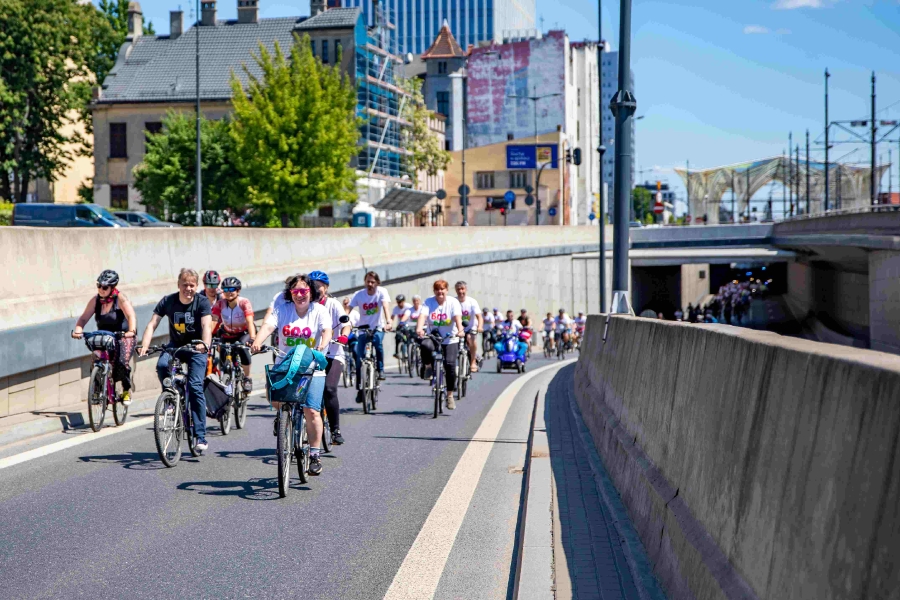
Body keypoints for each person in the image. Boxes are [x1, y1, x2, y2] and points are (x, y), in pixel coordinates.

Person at [252, 274, 332, 475]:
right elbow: (268, 326)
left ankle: (314, 455)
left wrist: (322, 345)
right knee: (274, 398)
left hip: (311, 367)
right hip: (286, 366)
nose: (300, 295)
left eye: (304, 291)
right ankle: (283, 418)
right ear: (290, 293)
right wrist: (257, 342)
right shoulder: (282, 310)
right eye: (295, 291)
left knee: (311, 411)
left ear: (311, 292)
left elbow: (326, 331)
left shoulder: (319, 310)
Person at [138, 268, 213, 452]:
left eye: (192, 285)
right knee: (162, 364)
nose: (188, 289)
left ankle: (200, 436)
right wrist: (144, 345)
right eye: (185, 285)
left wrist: (204, 344)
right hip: (176, 346)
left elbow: (206, 325)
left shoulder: (202, 302)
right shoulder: (168, 301)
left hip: (196, 348)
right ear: (178, 284)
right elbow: (152, 324)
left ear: (197, 286)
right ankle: (171, 396)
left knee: (195, 386)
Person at [72, 270, 138, 406]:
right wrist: (78, 330)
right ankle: (97, 390)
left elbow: (131, 315)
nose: (101, 289)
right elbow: (83, 318)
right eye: (99, 285)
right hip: (105, 336)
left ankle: (126, 390)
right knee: (96, 359)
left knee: (122, 362)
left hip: (122, 336)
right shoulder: (95, 300)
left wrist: (131, 331)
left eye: (105, 287)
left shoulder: (120, 299)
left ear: (112, 288)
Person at [309, 271, 350, 446]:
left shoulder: (333, 304)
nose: (316, 289)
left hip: (333, 353)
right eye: (312, 286)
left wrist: (344, 336)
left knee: (329, 389)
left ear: (326, 288)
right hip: (311, 354)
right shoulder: (305, 305)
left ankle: (335, 430)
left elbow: (346, 324)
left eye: (319, 286)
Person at [416, 280, 464, 410]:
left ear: (447, 290)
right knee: (425, 345)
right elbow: (422, 316)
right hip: (434, 337)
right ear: (434, 291)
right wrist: (419, 328)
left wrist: (460, 330)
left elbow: (457, 318)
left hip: (450, 339)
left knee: (450, 365)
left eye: (442, 289)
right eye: (437, 289)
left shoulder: (453, 302)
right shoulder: (429, 302)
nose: (440, 292)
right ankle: (428, 366)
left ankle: (450, 396)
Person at [210, 276, 255, 386]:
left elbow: (249, 321)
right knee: (222, 352)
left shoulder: (244, 302)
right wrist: (207, 337)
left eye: (231, 289)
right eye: (225, 290)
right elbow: (214, 321)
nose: (228, 292)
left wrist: (253, 338)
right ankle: (226, 378)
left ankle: (247, 378)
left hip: (243, 333)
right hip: (227, 333)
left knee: (242, 349)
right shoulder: (220, 303)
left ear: (238, 291)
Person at [349, 271, 392, 382]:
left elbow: (386, 307)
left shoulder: (382, 292)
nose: (370, 284)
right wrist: (343, 321)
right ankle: (359, 384)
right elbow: (348, 309)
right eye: (368, 281)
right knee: (359, 356)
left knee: (378, 343)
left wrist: (388, 321)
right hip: (363, 329)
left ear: (377, 283)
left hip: (378, 327)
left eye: (372, 282)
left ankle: (380, 369)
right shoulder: (359, 294)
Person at [454, 281, 483, 372]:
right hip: (457, 329)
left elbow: (479, 316)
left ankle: (473, 361)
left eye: (462, 289)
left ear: (466, 290)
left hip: (470, 328)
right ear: (456, 290)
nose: (460, 291)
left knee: (471, 338)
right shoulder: (453, 301)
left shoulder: (472, 302)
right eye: (458, 289)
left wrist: (480, 327)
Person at [391, 294, 412, 359]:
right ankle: (397, 352)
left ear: (404, 301)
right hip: (400, 325)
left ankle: (408, 352)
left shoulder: (408, 306)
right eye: (398, 302)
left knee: (407, 338)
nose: (399, 304)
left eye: (400, 302)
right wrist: (390, 325)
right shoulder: (395, 308)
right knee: (397, 337)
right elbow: (392, 317)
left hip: (409, 324)